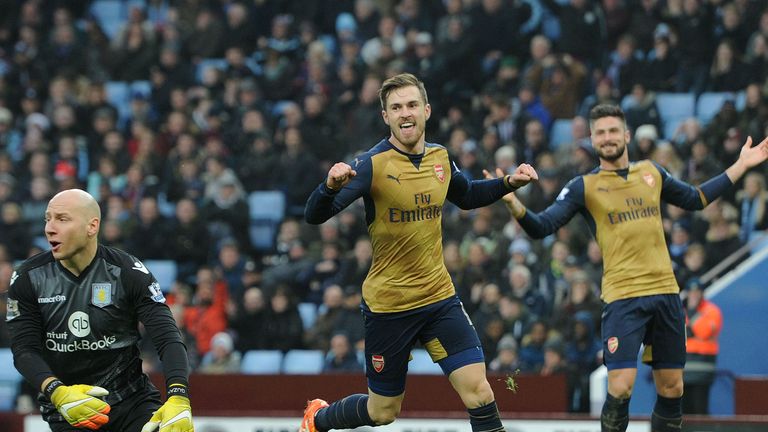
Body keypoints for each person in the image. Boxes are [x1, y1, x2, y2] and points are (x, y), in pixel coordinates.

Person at [488, 104, 768, 432]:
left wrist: (742, 165)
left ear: (627, 134)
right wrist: (512, 201)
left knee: (672, 388)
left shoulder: (651, 172)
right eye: (600, 133)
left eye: (612, 131)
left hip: (665, 293)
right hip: (623, 298)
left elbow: (696, 199)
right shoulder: (583, 187)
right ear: (592, 140)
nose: (607, 138)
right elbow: (542, 226)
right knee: (620, 387)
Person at [301, 73, 538, 432]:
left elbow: (467, 194)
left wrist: (508, 183)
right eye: (396, 107)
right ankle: (318, 419)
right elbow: (314, 215)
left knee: (480, 392)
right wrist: (328, 186)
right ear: (386, 117)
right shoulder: (370, 165)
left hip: (438, 298)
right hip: (390, 307)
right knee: (383, 412)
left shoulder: (441, 157)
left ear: (426, 110)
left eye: (411, 104)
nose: (405, 113)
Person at [6, 189, 194, 432]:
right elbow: (24, 350)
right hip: (71, 409)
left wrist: (179, 396)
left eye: (62, 219)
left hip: (133, 403)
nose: (49, 228)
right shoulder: (28, 278)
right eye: (47, 219)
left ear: (92, 226)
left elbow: (168, 338)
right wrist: (57, 391)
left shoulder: (128, 272)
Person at [682, 280, 722, 415]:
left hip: (703, 369)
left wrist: (692, 312)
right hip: (682, 371)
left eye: (697, 292)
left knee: (700, 410)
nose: (694, 295)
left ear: (702, 293)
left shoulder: (712, 311)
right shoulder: (680, 311)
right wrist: (692, 330)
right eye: (691, 292)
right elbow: (677, 333)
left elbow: (704, 332)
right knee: (683, 412)